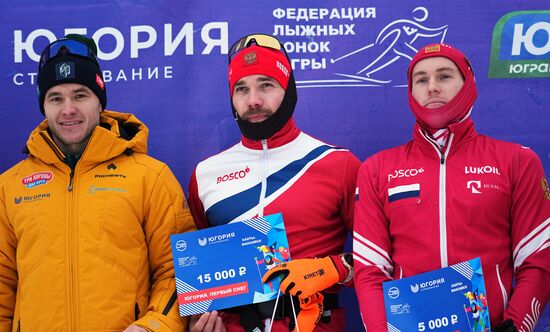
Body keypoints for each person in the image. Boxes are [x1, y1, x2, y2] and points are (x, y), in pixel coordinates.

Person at [0, 34, 196, 331]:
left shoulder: (150, 176)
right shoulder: (10, 186)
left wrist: (153, 326)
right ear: (44, 106)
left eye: (80, 95)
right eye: (56, 98)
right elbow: (2, 283)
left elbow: (179, 270)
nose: (68, 109)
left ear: (99, 101)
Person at [353, 43, 550, 331]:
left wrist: (516, 325)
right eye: (421, 79)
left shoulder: (517, 161)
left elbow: (537, 260)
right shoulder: (377, 169)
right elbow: (370, 270)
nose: (432, 87)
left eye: (444, 76)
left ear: (468, 85)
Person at [187, 34, 361, 332]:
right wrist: (199, 319)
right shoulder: (205, 173)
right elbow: (195, 268)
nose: (253, 100)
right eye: (241, 89)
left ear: (289, 89)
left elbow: (381, 262)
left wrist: (334, 268)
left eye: (266, 85)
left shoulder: (338, 164)